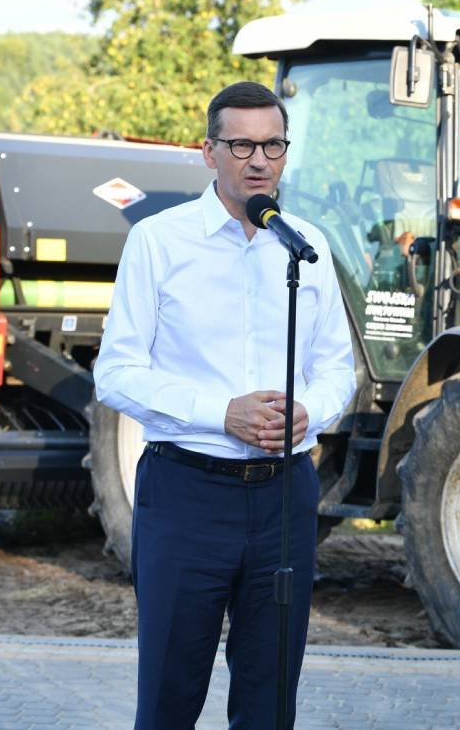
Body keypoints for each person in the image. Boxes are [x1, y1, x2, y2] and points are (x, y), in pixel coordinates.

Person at [94, 81, 356, 729]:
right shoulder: (159, 241)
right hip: (187, 494)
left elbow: (337, 372)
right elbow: (116, 375)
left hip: (284, 499)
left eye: (272, 144)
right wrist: (222, 413)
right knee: (169, 698)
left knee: (269, 704)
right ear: (209, 152)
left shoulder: (308, 248)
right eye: (241, 144)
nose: (258, 159)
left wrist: (309, 412)